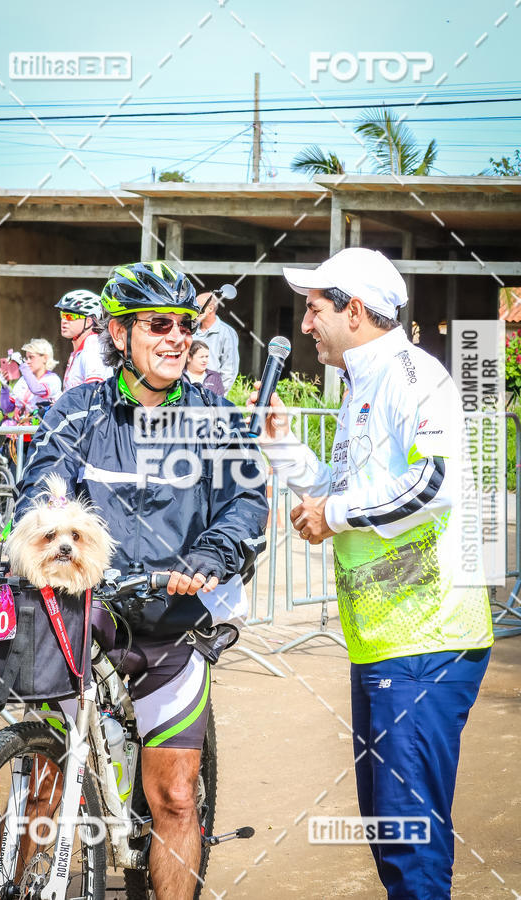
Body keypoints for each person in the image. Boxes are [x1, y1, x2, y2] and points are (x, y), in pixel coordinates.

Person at [14, 261, 268, 899]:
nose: (177, 336)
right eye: (159, 324)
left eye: (185, 324)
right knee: (42, 788)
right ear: (120, 334)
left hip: (172, 623)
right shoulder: (79, 411)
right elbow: (40, 489)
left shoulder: (215, 414)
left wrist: (209, 555)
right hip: (83, 617)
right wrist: (39, 537)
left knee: (177, 798)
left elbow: (245, 501)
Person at [251, 247, 494, 900]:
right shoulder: (364, 383)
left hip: (426, 641)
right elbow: (347, 489)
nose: (305, 324)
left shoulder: (414, 376)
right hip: (386, 640)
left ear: (354, 312)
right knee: (394, 837)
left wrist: (336, 511)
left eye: (314, 309)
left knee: (408, 842)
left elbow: (432, 480)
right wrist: (286, 451)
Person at [55, 288, 113, 390]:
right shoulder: (80, 350)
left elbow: (93, 391)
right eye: (62, 315)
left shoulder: (93, 347)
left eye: (70, 316)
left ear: (89, 321)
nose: (64, 321)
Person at [0, 338, 62, 423]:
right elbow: (6, 408)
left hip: (40, 432)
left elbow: (36, 389)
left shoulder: (53, 379)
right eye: (26, 358)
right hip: (20, 433)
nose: (27, 362)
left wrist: (22, 364)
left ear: (45, 358)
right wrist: (4, 387)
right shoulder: (23, 380)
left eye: (31, 357)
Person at [193, 290, 239, 394]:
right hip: (189, 392)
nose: (195, 311)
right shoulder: (191, 331)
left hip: (212, 394)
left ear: (210, 309)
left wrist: (217, 396)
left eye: (198, 307)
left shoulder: (227, 332)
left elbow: (229, 370)